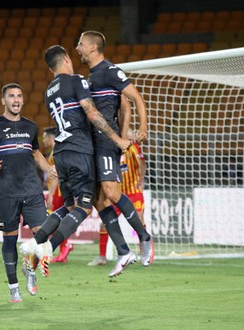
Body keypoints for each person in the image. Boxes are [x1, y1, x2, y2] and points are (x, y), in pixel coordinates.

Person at [19, 45, 131, 279]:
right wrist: (116, 138)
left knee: (68, 206)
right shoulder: (77, 80)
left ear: (51, 68)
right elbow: (91, 112)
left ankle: (33, 242)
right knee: (84, 206)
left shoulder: (49, 91)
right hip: (80, 150)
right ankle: (48, 248)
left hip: (60, 153)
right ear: (67, 59)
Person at [76, 30, 154, 271]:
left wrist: (140, 128)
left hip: (106, 142)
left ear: (92, 47)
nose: (77, 48)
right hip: (92, 144)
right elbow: (124, 106)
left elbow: (135, 99)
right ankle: (123, 251)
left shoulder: (111, 71)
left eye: (80, 44)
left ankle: (144, 237)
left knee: (111, 192)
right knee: (98, 202)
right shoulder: (89, 77)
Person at [0, 83, 56, 303]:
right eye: (11, 96)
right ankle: (13, 288)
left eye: (19, 95)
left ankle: (29, 268)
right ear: (3, 100)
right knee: (9, 240)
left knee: (42, 236)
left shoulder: (31, 126)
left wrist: (49, 169)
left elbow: (36, 153)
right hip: (7, 192)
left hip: (31, 189)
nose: (16, 100)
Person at [88, 127, 148, 266]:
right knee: (105, 223)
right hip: (117, 192)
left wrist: (141, 179)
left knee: (139, 219)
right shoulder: (110, 149)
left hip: (133, 191)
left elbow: (141, 162)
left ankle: (145, 253)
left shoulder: (133, 148)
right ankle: (102, 256)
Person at [42, 126, 74, 263]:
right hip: (65, 191)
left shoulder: (55, 153)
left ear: (50, 138)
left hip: (59, 192)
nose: (43, 141)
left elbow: (55, 177)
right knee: (60, 221)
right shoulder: (62, 150)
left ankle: (66, 246)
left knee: (54, 221)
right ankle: (63, 251)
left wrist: (50, 196)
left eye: (44, 137)